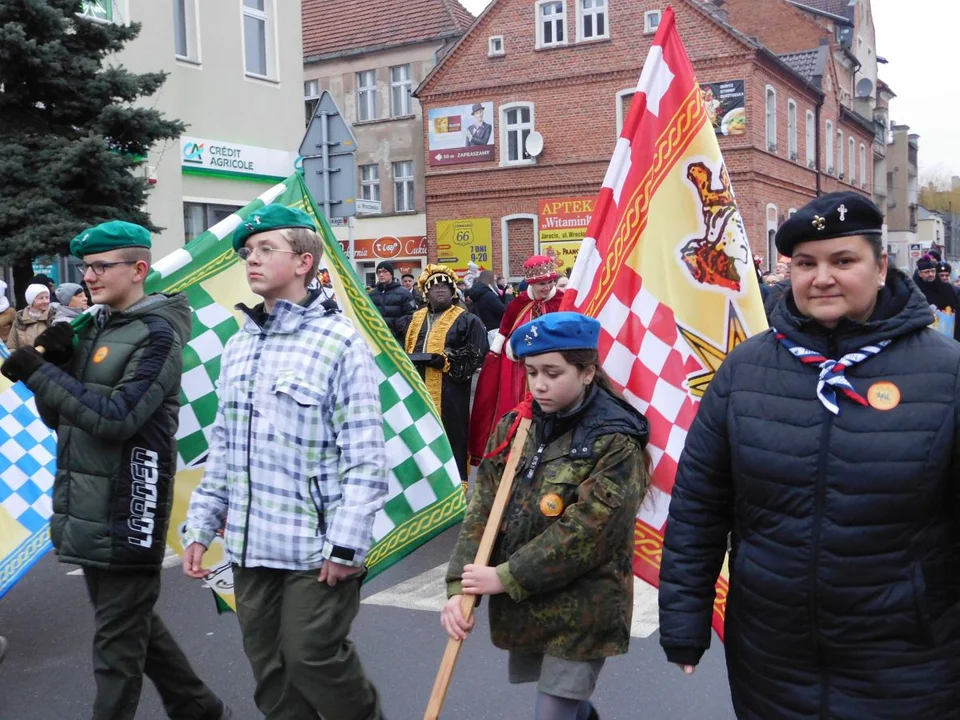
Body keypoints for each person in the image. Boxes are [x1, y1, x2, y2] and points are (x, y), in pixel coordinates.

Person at [659, 191, 960, 719]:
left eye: (843, 261)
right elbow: (699, 505)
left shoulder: (947, 372)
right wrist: (684, 622)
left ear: (881, 265)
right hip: (772, 659)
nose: (821, 278)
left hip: (911, 661)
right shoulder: (745, 370)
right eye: (806, 263)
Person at [0, 221, 230, 720]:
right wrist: (54, 369)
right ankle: (199, 708)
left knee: (115, 647)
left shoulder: (158, 332)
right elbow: (61, 417)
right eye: (86, 267)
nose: (89, 276)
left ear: (139, 269)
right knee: (128, 624)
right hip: (85, 497)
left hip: (131, 500)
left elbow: (116, 417)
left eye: (102, 266)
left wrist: (41, 373)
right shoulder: (98, 326)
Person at [183, 205, 387, 720]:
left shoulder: (340, 341)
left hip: (314, 547)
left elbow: (365, 457)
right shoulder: (239, 345)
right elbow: (225, 446)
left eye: (264, 249)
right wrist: (201, 526)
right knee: (270, 673)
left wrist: (345, 545)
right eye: (248, 252)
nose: (251, 259)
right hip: (252, 546)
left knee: (312, 656)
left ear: (303, 261)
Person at [442, 312, 651, 720]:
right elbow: (482, 509)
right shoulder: (516, 427)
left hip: (583, 606)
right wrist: (458, 586)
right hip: (532, 603)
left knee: (554, 709)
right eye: (532, 371)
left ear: (588, 372)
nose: (538, 384)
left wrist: (505, 576)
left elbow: (588, 532)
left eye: (553, 373)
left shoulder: (616, 440)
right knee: (568, 704)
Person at [397, 264, 488, 487]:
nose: (440, 290)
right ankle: (421, 487)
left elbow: (477, 352)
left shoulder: (467, 320)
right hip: (416, 390)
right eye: (434, 286)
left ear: (453, 291)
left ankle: (454, 487)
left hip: (450, 391)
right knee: (418, 436)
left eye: (445, 286)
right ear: (425, 292)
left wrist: (447, 360)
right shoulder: (412, 319)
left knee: (451, 436)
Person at [469, 255, 565, 464]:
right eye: (542, 283)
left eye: (550, 282)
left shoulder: (563, 301)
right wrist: (511, 349)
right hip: (521, 371)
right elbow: (504, 334)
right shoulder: (518, 303)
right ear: (531, 282)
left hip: (555, 369)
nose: (548, 287)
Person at [369, 260, 417, 343]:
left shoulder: (404, 293)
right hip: (377, 339)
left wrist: (399, 327)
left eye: (385, 271)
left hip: (397, 339)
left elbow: (412, 315)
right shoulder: (372, 295)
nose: (381, 274)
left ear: (391, 274)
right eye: (379, 272)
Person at [914, 255, 960, 339]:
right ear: (920, 274)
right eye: (927, 272)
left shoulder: (947, 289)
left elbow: (956, 311)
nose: (931, 274)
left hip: (947, 335)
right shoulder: (915, 291)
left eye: (933, 271)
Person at [5, 283, 56, 350]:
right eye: (41, 298)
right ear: (31, 300)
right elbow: (11, 347)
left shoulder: (54, 317)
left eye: (47, 297)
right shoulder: (20, 320)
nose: (45, 301)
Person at [468, 270, 507, 337]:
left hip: (486, 329)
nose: (496, 284)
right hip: (495, 330)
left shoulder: (479, 293)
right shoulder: (488, 295)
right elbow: (505, 310)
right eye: (494, 281)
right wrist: (509, 296)